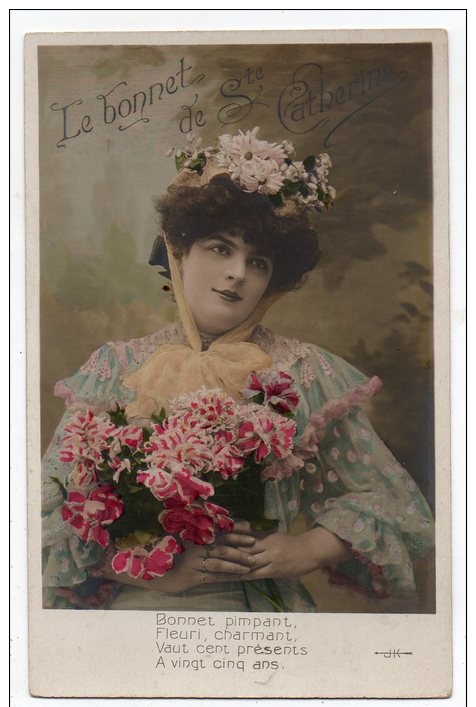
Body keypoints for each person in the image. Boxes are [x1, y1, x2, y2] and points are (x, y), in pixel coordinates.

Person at [42, 129, 435, 611]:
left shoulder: (306, 371)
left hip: (262, 609)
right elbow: (48, 512)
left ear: (274, 281)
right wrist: (154, 572)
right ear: (179, 253)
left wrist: (308, 548)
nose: (237, 273)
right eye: (219, 248)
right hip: (141, 608)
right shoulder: (114, 368)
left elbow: (392, 501)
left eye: (259, 261)